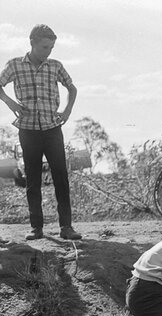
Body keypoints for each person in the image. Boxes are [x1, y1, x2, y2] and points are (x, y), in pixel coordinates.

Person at [0, 24, 81, 241]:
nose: (48, 52)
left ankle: (66, 227)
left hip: (52, 129)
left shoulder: (55, 66)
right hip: (28, 130)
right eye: (45, 47)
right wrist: (9, 102)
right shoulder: (15, 65)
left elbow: (72, 88)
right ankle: (36, 228)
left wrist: (67, 110)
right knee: (32, 179)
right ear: (32, 43)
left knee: (61, 177)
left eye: (51, 48)